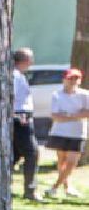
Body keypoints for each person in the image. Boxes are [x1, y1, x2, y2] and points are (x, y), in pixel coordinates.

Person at [45, 68, 89, 197]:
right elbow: (55, 115)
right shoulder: (57, 95)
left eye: (76, 78)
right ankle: (67, 187)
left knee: (72, 161)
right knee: (62, 160)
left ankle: (54, 187)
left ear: (80, 80)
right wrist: (77, 115)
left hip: (78, 133)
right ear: (64, 79)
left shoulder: (85, 95)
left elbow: (87, 113)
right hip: (60, 132)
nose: (73, 81)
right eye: (70, 78)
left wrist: (67, 116)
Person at [13, 48, 40, 201]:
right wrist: (16, 116)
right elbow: (11, 97)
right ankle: (30, 190)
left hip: (22, 117)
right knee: (32, 153)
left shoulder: (19, 75)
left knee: (15, 155)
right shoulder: (15, 76)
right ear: (25, 60)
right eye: (30, 59)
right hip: (20, 118)